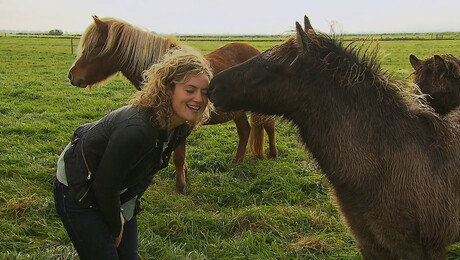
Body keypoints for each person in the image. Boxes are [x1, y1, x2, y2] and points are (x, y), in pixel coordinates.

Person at [53, 47, 213, 259]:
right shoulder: (138, 131)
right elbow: (103, 186)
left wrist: (125, 211)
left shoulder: (181, 127)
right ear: (168, 89)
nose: (199, 99)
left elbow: (147, 172)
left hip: (114, 187)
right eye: (190, 90)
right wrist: (116, 226)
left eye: (205, 92)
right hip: (78, 186)